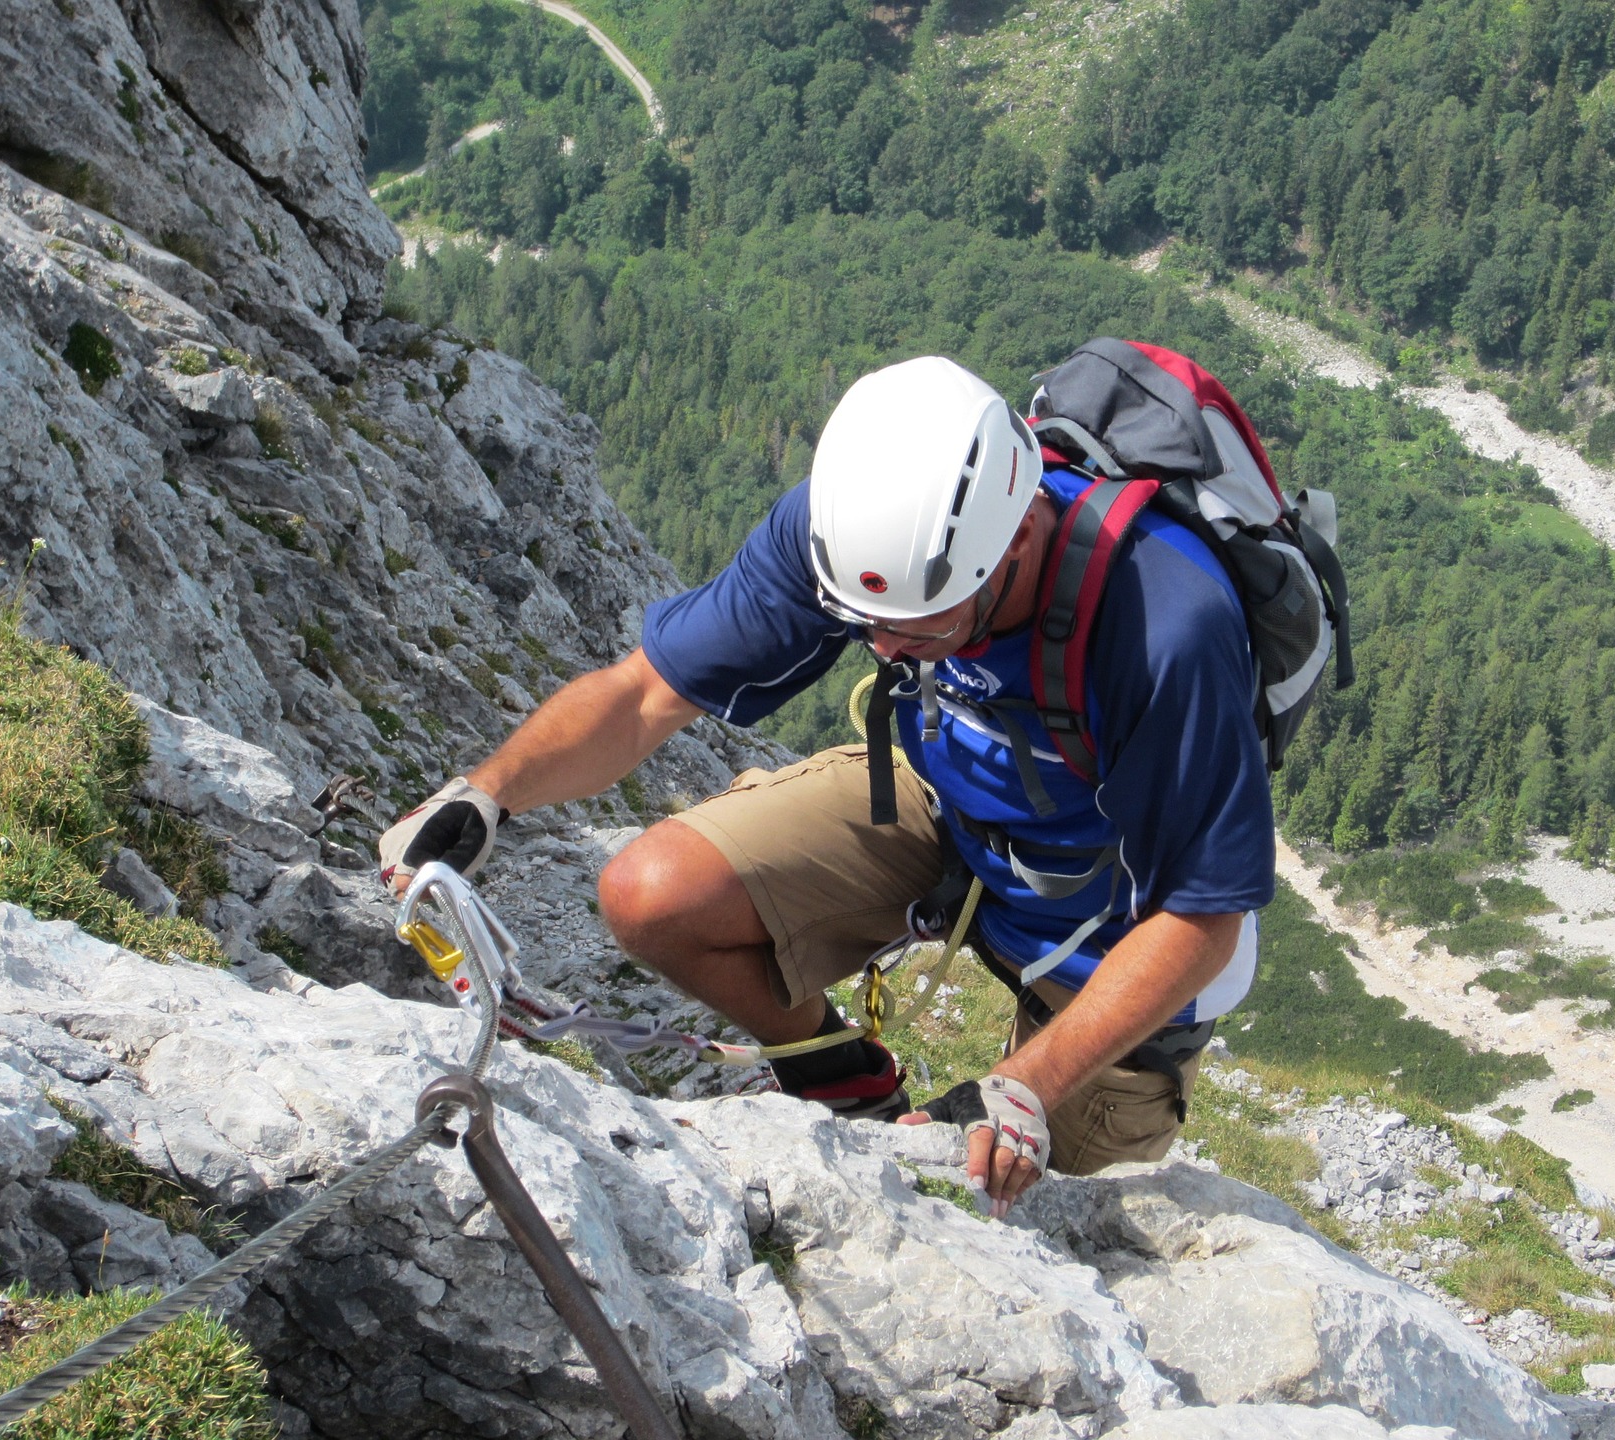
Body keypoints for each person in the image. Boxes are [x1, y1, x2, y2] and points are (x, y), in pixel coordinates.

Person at [379, 355, 1275, 1219]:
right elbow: (643, 693)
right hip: (953, 803)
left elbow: (1200, 917)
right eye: (865, 624)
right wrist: (487, 792)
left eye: (918, 629)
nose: (883, 648)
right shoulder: (859, 532)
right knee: (651, 896)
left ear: (1014, 543)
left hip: (1122, 926)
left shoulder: (1166, 623)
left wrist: (1026, 1088)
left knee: (1002, 1210)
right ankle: (842, 1080)